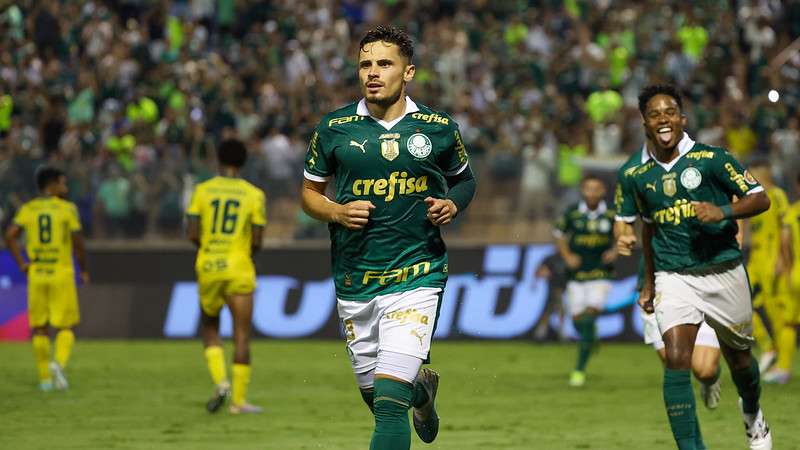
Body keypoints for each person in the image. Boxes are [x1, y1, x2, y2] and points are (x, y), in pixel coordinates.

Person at [301, 26, 476, 449]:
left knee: (388, 403)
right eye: (365, 64)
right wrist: (338, 211)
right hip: (355, 277)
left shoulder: (436, 127)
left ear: (408, 72)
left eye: (384, 63)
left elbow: (465, 182)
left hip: (418, 274)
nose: (372, 73)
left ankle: (410, 394)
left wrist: (452, 204)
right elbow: (309, 195)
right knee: (377, 396)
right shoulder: (335, 128)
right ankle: (424, 394)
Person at [618, 84, 772, 450]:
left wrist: (724, 210)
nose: (663, 119)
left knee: (740, 362)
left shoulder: (713, 159)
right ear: (644, 123)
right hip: (674, 276)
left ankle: (752, 413)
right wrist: (650, 283)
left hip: (723, 270)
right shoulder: (636, 175)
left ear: (682, 118)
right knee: (676, 359)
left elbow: (760, 197)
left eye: (670, 112)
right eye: (655, 114)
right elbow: (648, 228)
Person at [614, 144, 723, 409]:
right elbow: (623, 219)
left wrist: (737, 231)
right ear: (645, 122)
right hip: (661, 277)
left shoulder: (703, 160)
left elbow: (734, 198)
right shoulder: (631, 171)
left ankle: (710, 382)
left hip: (704, 272)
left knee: (704, 370)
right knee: (677, 369)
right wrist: (623, 236)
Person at [186, 138, 266, 414]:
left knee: (210, 327)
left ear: (218, 160)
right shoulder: (253, 194)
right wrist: (242, 253)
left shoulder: (202, 191)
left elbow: (193, 233)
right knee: (241, 336)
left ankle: (221, 383)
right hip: (239, 265)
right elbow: (257, 239)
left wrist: (210, 250)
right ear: (243, 162)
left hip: (208, 265)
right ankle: (238, 401)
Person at [4, 166, 89, 391]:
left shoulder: (28, 209)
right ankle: (58, 364)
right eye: (62, 183)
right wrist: (84, 269)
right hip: (61, 272)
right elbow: (78, 243)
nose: (65, 187)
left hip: (37, 273)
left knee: (40, 328)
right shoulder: (67, 209)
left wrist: (22, 263)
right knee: (65, 327)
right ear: (51, 185)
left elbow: (10, 235)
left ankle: (44, 380)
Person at [553, 174, 617, 386]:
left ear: (603, 192)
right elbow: (559, 234)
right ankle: (591, 339)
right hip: (576, 275)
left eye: (596, 189)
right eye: (588, 189)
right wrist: (567, 256)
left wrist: (616, 251)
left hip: (601, 273)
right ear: (582, 191)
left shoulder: (610, 214)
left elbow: (625, 233)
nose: (592, 193)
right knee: (578, 321)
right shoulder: (572, 213)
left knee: (589, 317)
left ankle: (579, 371)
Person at [745, 159, 790, 374]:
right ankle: (767, 346)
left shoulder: (777, 195)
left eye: (753, 174)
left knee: (775, 313)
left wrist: (782, 259)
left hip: (771, 259)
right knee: (740, 303)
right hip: (755, 258)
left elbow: (785, 227)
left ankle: (782, 363)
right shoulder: (754, 199)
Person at [763, 172, 800, 384]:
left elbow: (785, 244)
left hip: (797, 273)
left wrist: (787, 267)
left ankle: (783, 369)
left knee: (789, 322)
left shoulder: (793, 214)